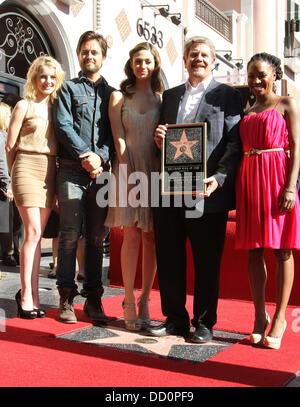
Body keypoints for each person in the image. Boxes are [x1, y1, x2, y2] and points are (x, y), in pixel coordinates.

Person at [148, 36, 243, 342]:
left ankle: (204, 323)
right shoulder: (171, 96)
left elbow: (234, 141)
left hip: (206, 190)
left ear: (213, 61)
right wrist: (160, 138)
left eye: (204, 55)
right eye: (193, 54)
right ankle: (175, 318)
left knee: (206, 259)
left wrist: (220, 177)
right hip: (170, 188)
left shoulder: (227, 95)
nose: (198, 58)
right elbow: (167, 144)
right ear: (185, 59)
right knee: (170, 256)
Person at [235, 53, 300, 350]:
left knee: (283, 251)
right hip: (249, 179)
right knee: (253, 251)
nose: (256, 80)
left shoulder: (287, 104)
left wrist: (290, 187)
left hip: (277, 181)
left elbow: (297, 147)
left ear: (274, 74)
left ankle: (279, 317)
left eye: (261, 74)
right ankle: (259, 317)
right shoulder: (247, 109)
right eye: (251, 75)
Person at [53, 31, 115, 324]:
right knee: (68, 235)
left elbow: (114, 135)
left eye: (94, 52)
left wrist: (100, 157)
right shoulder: (67, 89)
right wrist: (86, 156)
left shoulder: (113, 94)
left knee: (96, 237)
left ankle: (93, 300)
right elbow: (63, 125)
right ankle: (66, 297)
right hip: (70, 171)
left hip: (101, 174)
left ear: (103, 57)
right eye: (84, 52)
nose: (89, 56)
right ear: (79, 55)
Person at [105, 42, 162, 330]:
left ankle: (145, 301)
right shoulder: (118, 96)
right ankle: (127, 299)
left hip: (154, 171)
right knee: (130, 235)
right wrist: (128, 171)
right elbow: (118, 137)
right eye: (138, 61)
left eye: (148, 61)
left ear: (155, 64)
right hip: (128, 168)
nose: (142, 66)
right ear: (131, 64)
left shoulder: (162, 98)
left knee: (150, 236)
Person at [5, 56, 65, 319]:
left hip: (50, 170)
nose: (48, 81)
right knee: (31, 232)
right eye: (43, 76)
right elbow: (9, 146)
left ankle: (34, 295)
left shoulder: (58, 107)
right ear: (34, 78)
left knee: (38, 235)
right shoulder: (23, 104)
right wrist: (13, 175)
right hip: (26, 166)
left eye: (53, 77)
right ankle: (26, 295)